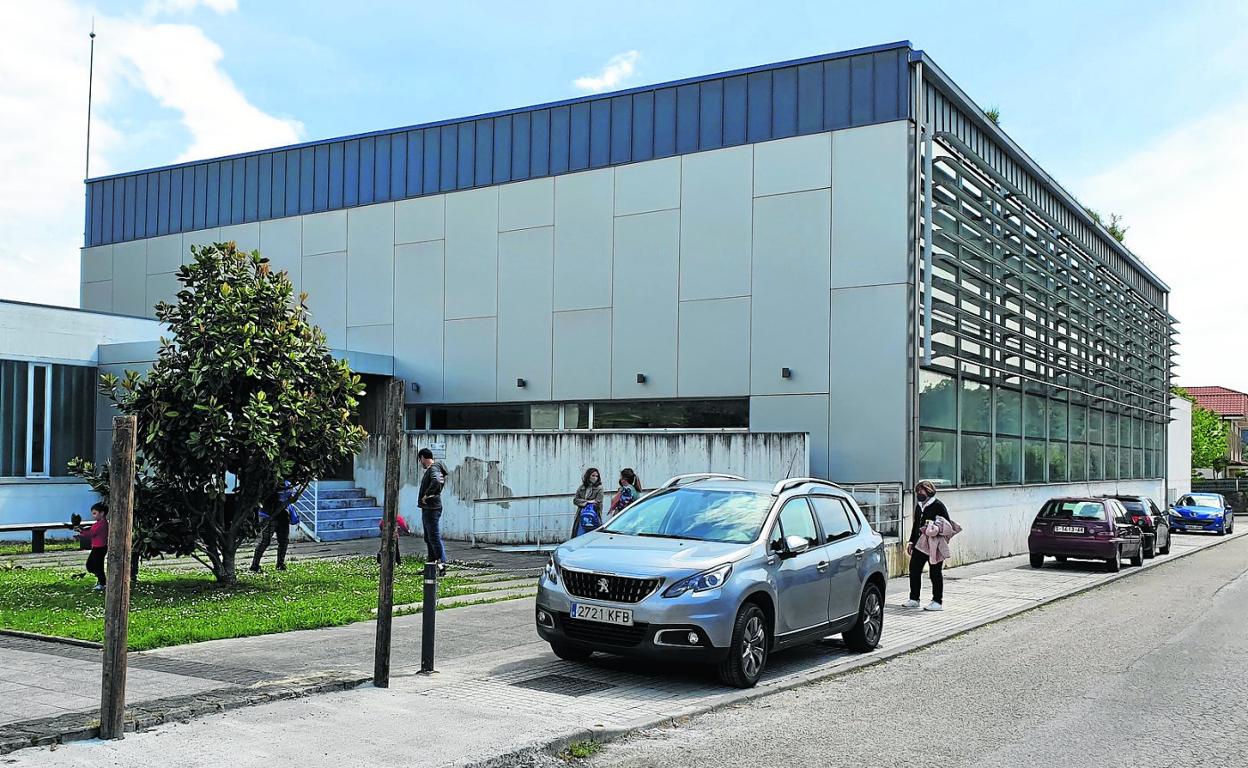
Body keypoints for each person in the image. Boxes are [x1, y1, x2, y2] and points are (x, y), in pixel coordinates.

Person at [905, 480, 953, 611]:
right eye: (918, 491)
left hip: (934, 545)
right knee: (914, 569)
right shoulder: (919, 506)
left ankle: (937, 601)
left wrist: (934, 527)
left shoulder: (938, 505)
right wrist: (911, 542)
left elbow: (947, 525)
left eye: (922, 490)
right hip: (919, 545)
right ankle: (914, 598)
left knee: (935, 572)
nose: (919, 493)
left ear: (929, 491)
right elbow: (915, 525)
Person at [249, 481, 295, 573]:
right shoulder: (269, 484)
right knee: (265, 541)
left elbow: (290, 498)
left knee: (284, 541)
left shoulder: (288, 483)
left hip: (282, 515)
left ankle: (280, 564)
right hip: (269, 514)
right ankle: (254, 565)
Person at [417, 448, 449, 576]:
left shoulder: (433, 468)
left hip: (431, 508)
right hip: (429, 508)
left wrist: (427, 495)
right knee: (428, 537)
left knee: (434, 537)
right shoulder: (435, 468)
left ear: (423, 457)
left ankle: (442, 564)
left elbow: (436, 481)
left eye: (420, 459)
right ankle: (431, 565)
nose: (420, 462)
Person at [76, 502, 109, 591]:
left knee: (94, 565)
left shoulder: (100, 524)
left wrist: (81, 531)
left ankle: (102, 582)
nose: (93, 515)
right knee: (95, 565)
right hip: (98, 547)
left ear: (102, 513)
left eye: (95, 513)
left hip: (99, 547)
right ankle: (101, 580)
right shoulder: (101, 523)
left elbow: (91, 533)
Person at [571, 468, 604, 537]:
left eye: (597, 476)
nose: (595, 478)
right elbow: (575, 500)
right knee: (579, 535)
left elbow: (598, 502)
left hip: (593, 515)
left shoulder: (599, 488)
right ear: (588, 476)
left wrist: (584, 502)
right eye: (593, 475)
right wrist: (588, 502)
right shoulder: (582, 487)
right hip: (581, 515)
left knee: (592, 536)